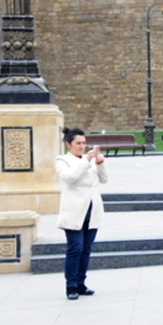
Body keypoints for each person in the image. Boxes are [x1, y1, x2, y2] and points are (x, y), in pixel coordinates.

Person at [55, 127, 108, 300]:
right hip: (74, 209)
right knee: (75, 248)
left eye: (84, 143)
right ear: (68, 144)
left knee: (86, 249)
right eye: (78, 143)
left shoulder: (89, 160)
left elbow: (104, 179)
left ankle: (80, 283)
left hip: (91, 208)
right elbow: (70, 178)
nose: (82, 146)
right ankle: (71, 285)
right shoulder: (62, 160)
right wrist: (87, 161)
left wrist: (100, 163)